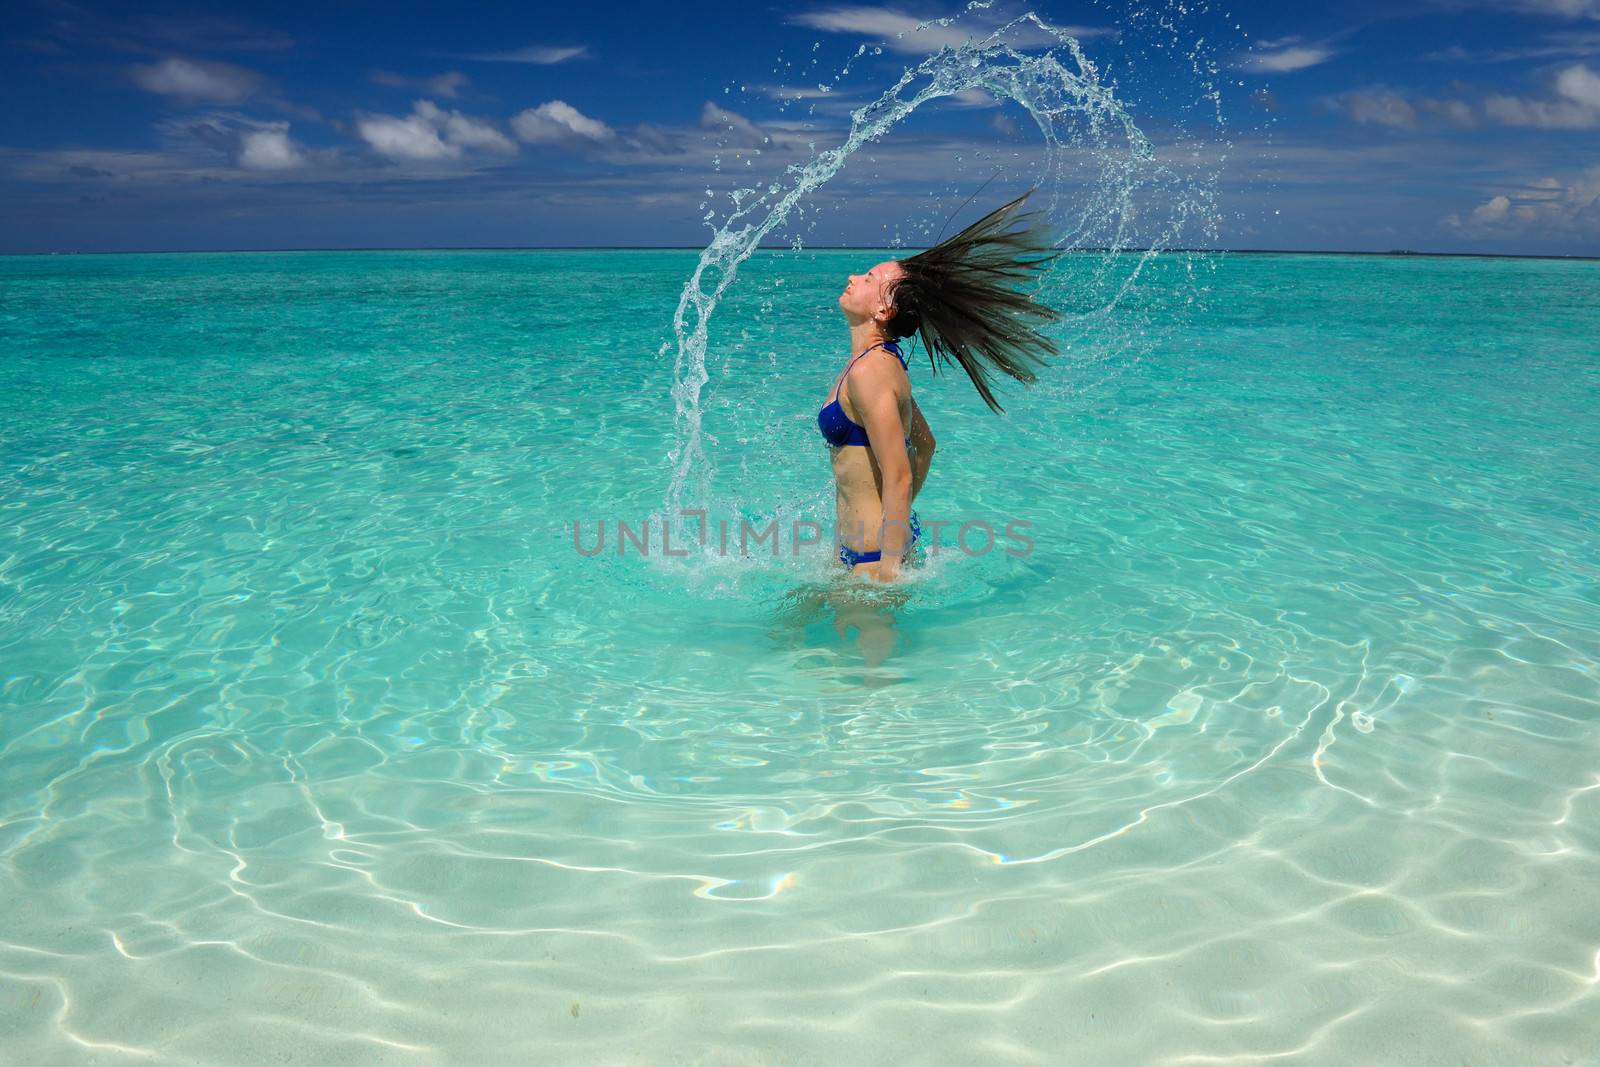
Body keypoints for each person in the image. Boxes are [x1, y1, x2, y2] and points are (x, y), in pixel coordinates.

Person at [819, 189, 1063, 582]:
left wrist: (888, 569)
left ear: (884, 310)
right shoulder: (869, 364)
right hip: (857, 554)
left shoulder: (873, 372)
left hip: (874, 563)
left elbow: (898, 474)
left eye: (869, 278)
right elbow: (926, 443)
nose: (853, 277)